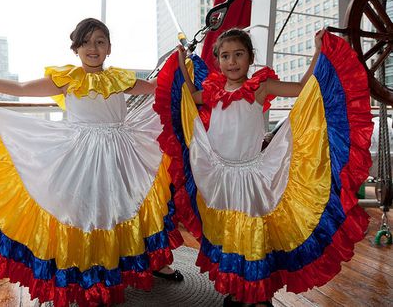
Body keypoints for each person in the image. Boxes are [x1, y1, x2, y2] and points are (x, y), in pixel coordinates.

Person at [0, 18, 184, 307]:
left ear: (109, 48)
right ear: (76, 48)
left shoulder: (121, 78)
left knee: (122, 209)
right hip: (80, 158)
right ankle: (84, 275)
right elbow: (20, 87)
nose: (93, 48)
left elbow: (158, 87)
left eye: (100, 41)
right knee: (83, 213)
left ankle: (137, 264)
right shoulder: (68, 78)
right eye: (86, 42)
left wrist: (181, 63)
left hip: (120, 154)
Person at [154, 28, 373, 306]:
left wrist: (319, 52)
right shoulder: (212, 91)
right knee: (230, 233)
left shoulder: (261, 86)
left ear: (250, 58)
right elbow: (188, 95)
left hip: (251, 176)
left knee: (251, 234)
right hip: (220, 176)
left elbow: (305, 89)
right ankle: (238, 287)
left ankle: (257, 295)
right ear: (218, 60)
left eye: (238, 54)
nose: (232, 61)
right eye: (225, 56)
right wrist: (182, 60)